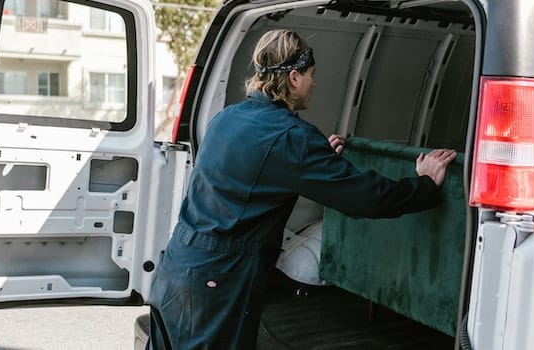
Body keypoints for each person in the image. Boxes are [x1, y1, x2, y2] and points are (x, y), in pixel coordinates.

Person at [146, 29, 457, 350]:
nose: (314, 82)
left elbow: (259, 170)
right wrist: (424, 184)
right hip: (218, 283)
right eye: (311, 74)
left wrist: (316, 161)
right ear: (294, 78)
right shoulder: (293, 137)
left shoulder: (227, 118)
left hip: (178, 267)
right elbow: (367, 198)